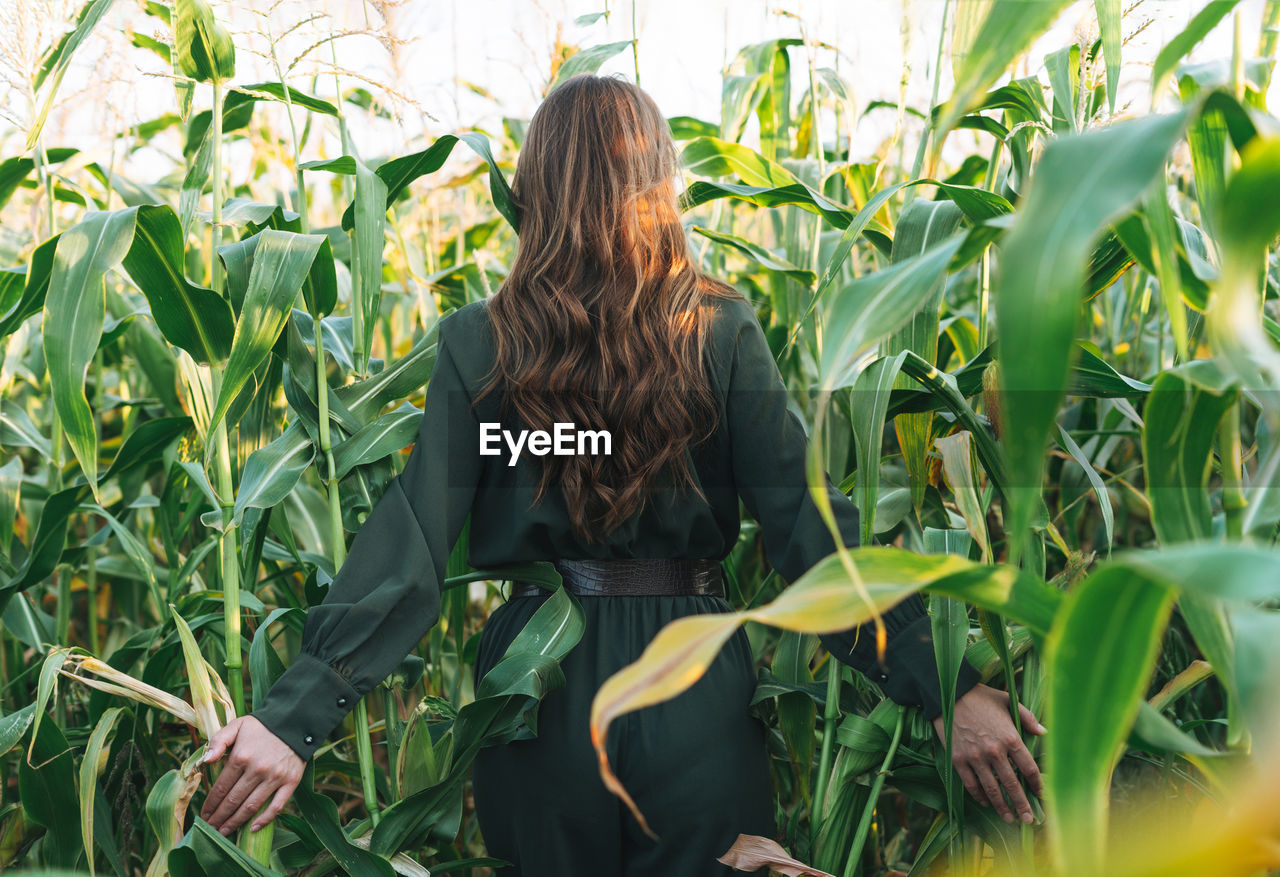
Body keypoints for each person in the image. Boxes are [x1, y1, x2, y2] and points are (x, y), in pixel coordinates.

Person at [199, 73, 1045, 874]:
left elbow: (412, 541)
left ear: (534, 189)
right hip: (693, 683)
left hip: (536, 686)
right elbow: (807, 534)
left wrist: (294, 717)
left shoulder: (480, 340)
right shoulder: (718, 330)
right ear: (658, 184)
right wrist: (945, 686)